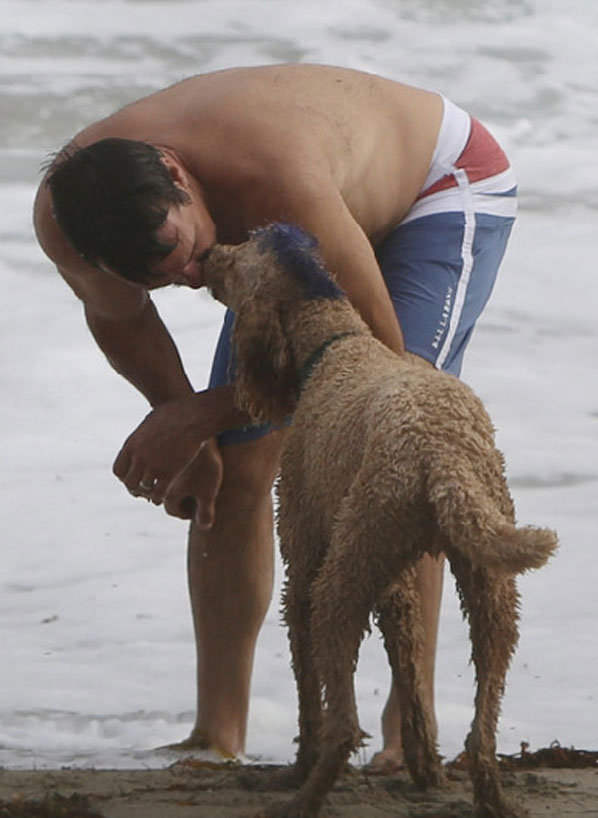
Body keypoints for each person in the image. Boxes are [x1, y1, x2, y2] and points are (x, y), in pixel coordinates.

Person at [33, 63, 517, 769]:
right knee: (229, 460)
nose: (193, 280)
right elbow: (124, 323)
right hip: (297, 239)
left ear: (178, 173)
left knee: (403, 442)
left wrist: (196, 414)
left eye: (189, 255)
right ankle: (217, 735)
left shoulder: (269, 174)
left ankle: (407, 730)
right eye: (161, 280)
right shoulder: (68, 222)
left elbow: (375, 364)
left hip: (436, 189)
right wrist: (186, 422)